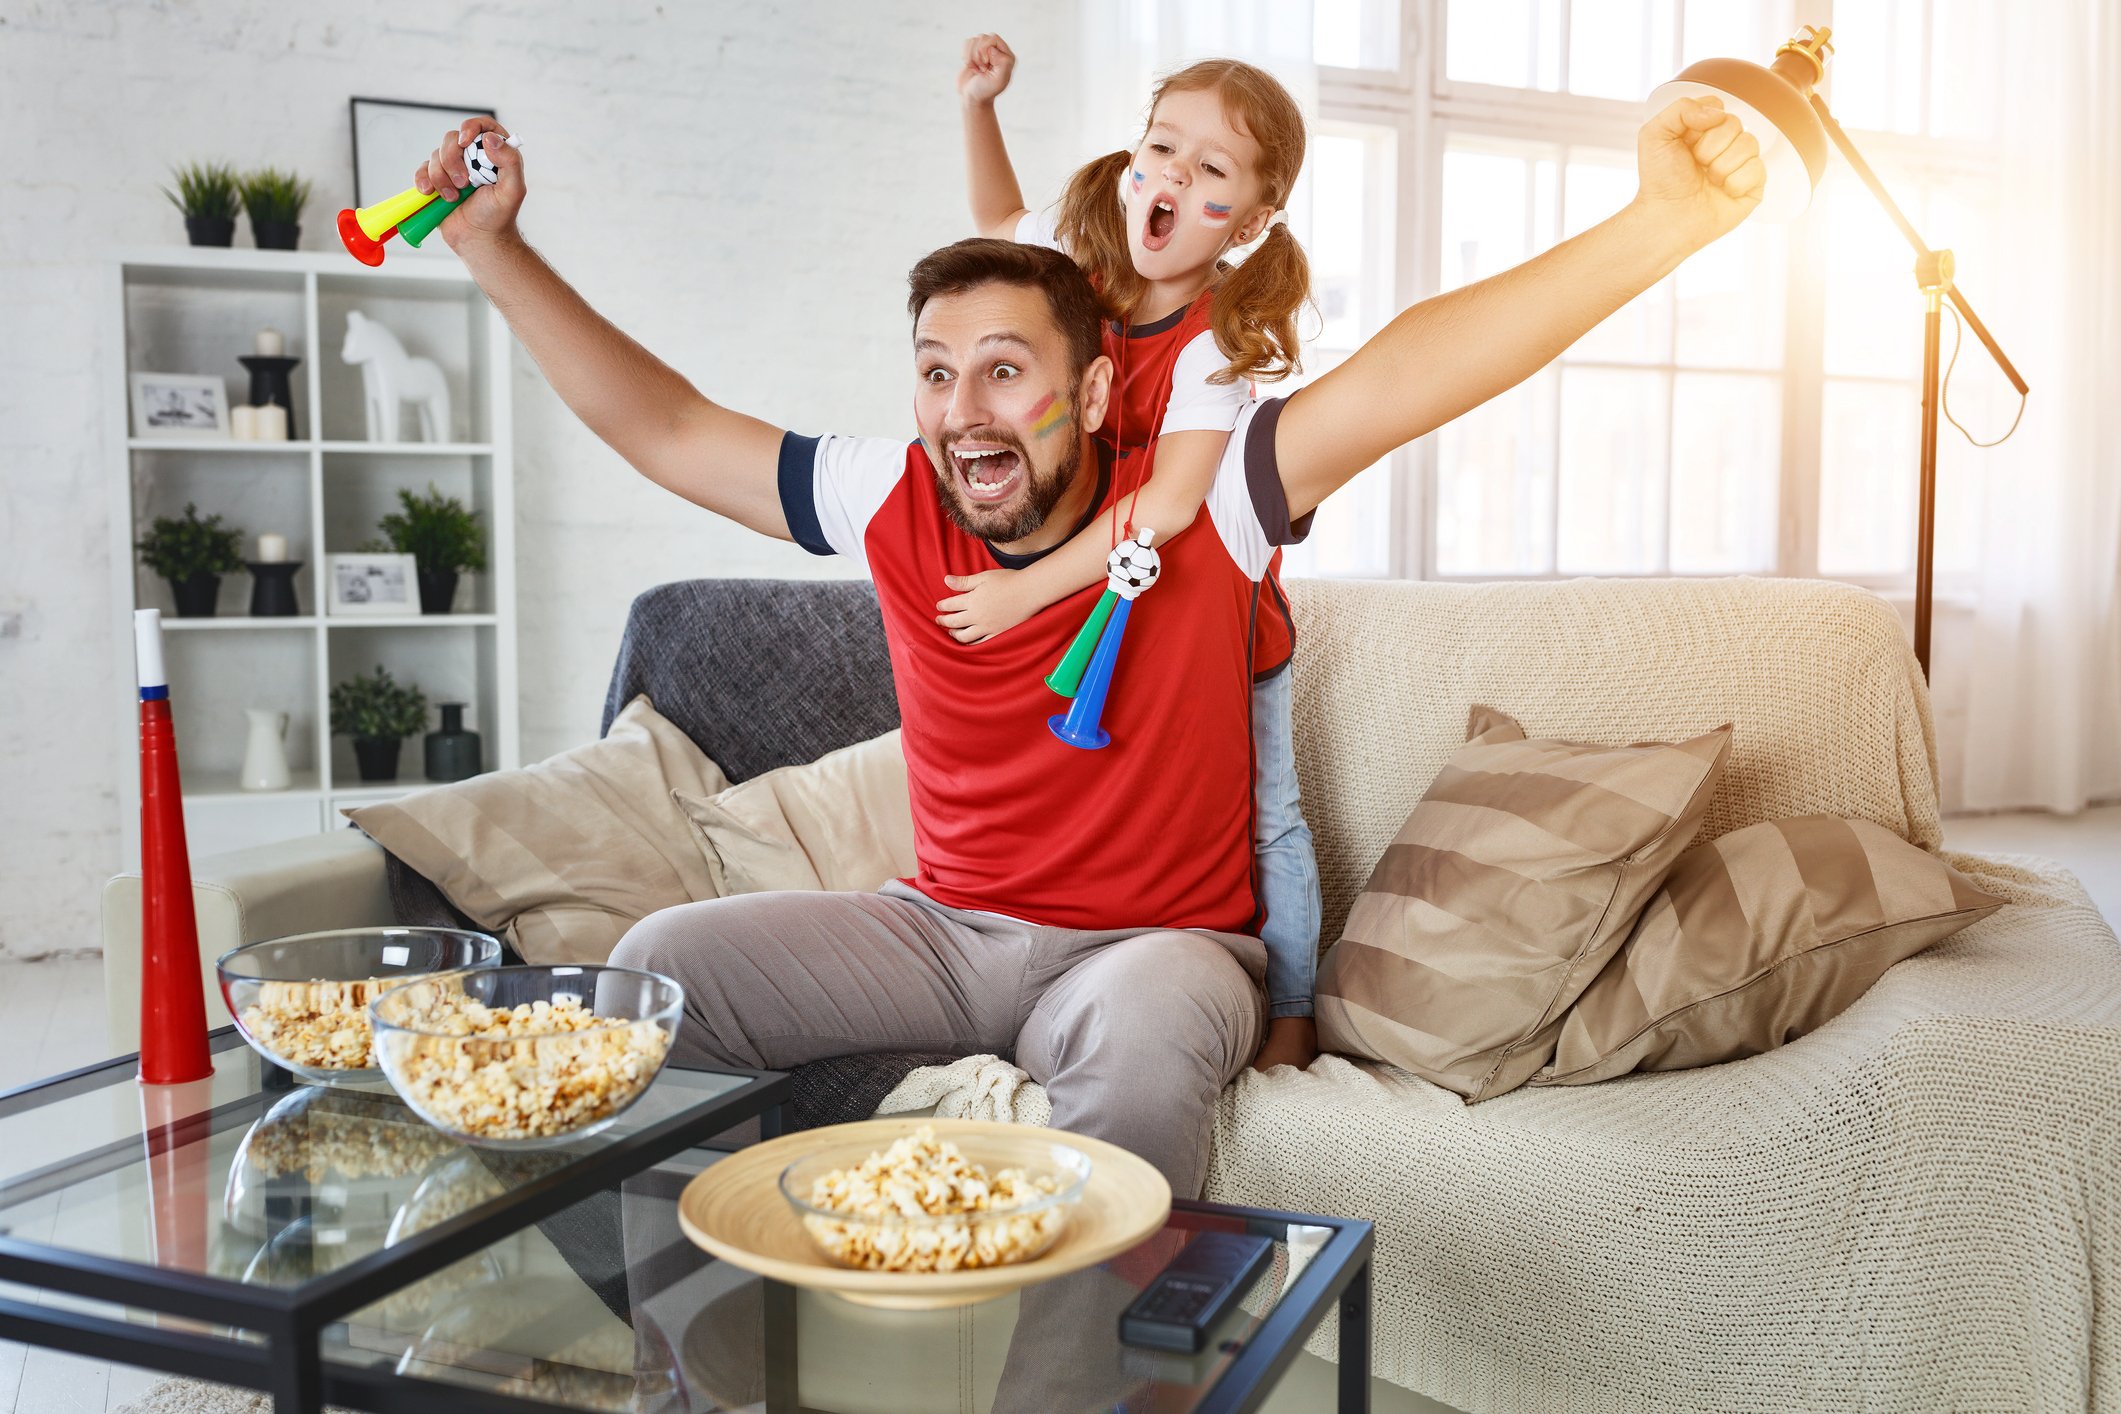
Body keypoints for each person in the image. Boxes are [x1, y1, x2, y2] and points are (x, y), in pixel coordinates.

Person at [412, 82, 1763, 1202]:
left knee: (1133, 1046)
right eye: (936, 373)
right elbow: (664, 424)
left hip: (1155, 950)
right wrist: (492, 248)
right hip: (940, 932)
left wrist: (1663, 221)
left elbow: (1414, 370)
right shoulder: (893, 493)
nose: (964, 410)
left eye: (1005, 368)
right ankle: (676, 1365)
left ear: (1096, 383)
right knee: (653, 964)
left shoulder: (1209, 496)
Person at [956, 35, 1325, 1071]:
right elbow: (994, 220)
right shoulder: (1076, 272)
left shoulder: (1216, 346)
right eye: (1161, 148)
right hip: (1121, 613)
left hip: (1222, 622)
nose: (1171, 176)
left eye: (1210, 170)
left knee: (1272, 817)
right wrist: (979, 106)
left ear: (1250, 221)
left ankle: (1292, 1009)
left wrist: (1022, 592)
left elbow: (1166, 504)